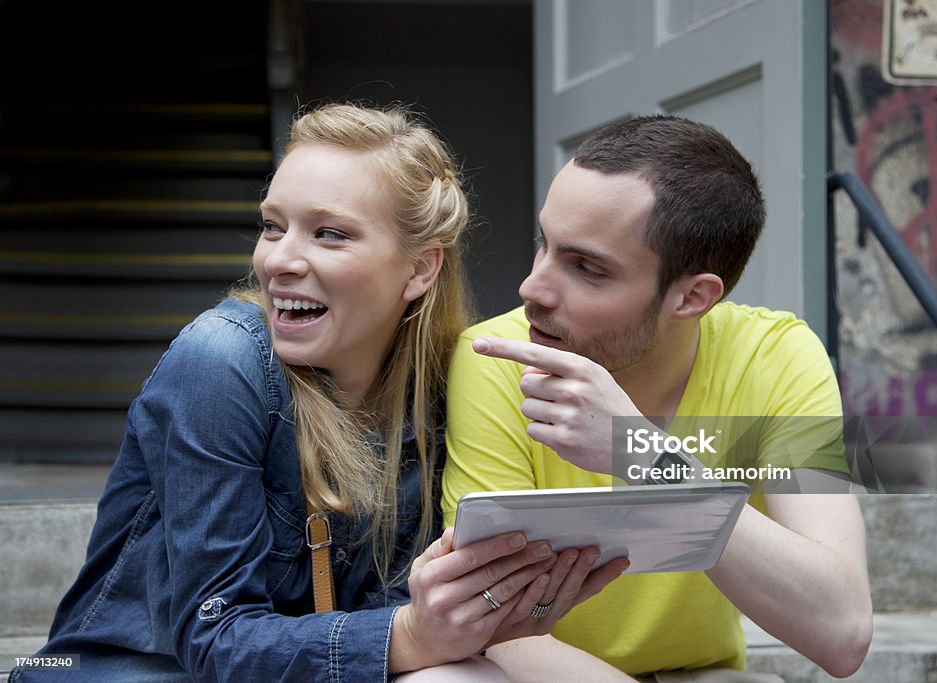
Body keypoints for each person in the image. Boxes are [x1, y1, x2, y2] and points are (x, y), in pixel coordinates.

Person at [12, 102, 627, 682]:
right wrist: (413, 634)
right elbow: (213, 637)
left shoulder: (436, 389)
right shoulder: (221, 361)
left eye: (329, 234)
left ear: (420, 269)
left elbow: (404, 615)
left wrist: (479, 614)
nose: (279, 260)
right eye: (272, 227)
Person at [441, 115, 874, 681]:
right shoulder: (496, 359)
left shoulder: (775, 356)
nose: (532, 289)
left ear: (692, 297)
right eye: (544, 244)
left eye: (587, 268)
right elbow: (488, 622)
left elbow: (841, 632)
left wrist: (644, 454)